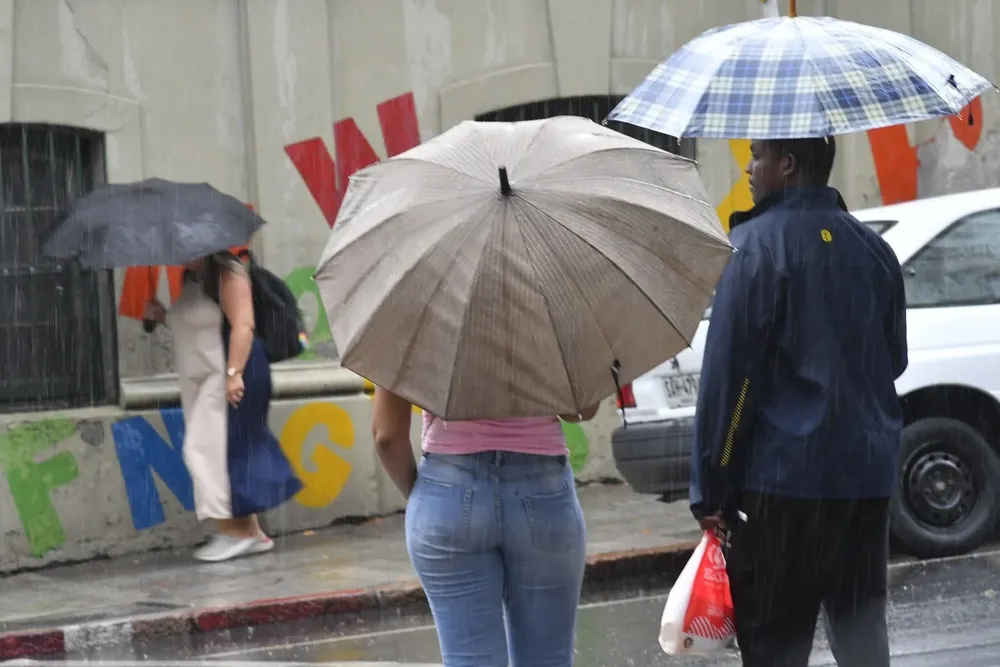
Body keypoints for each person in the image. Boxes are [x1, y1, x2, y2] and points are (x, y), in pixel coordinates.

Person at [689, 136, 908, 666]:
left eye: (758, 155)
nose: (749, 167)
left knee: (775, 646)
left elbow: (731, 384)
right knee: (861, 641)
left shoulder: (756, 249)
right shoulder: (875, 250)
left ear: (786, 165)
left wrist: (712, 488)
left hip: (782, 487)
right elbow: (893, 360)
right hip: (864, 481)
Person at [372, 390, 600, 667]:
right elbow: (582, 409)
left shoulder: (406, 344)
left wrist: (428, 498)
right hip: (543, 493)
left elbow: (386, 437)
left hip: (447, 492)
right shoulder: (546, 343)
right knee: (547, 659)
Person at [143, 251, 303, 562]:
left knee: (211, 450)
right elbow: (198, 326)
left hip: (232, 372)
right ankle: (251, 532)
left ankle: (237, 532)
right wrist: (161, 315)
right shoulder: (193, 279)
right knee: (227, 449)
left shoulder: (229, 273)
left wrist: (234, 375)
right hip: (204, 378)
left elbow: (244, 325)